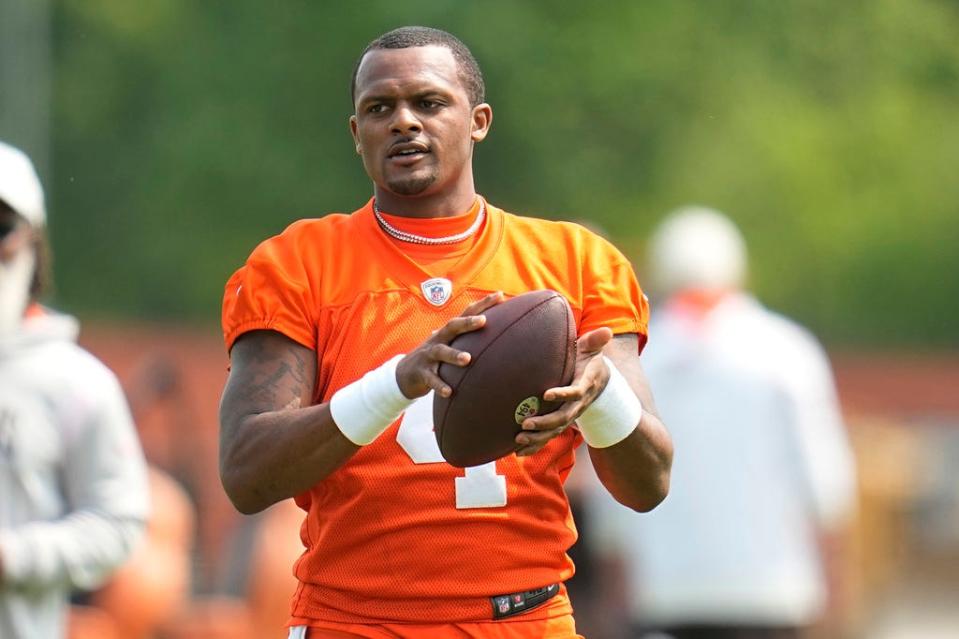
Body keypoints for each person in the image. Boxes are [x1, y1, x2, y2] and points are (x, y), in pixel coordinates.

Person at [218, 26, 673, 639]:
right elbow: (247, 473)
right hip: (355, 623)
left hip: (526, 619)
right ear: (357, 135)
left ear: (478, 120)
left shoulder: (577, 264)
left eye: (428, 103)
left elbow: (649, 485)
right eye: (380, 108)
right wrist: (395, 384)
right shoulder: (298, 262)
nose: (403, 122)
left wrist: (601, 397)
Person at [582, 206, 857, 639]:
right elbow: (826, 483)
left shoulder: (636, 357)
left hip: (663, 593)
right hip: (772, 593)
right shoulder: (788, 352)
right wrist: (835, 587)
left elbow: (609, 485)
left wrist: (612, 591)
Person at [0, 140, 151, 638]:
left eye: (0, 228)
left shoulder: (76, 384)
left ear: (33, 242)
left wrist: (16, 557)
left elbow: (119, 522)